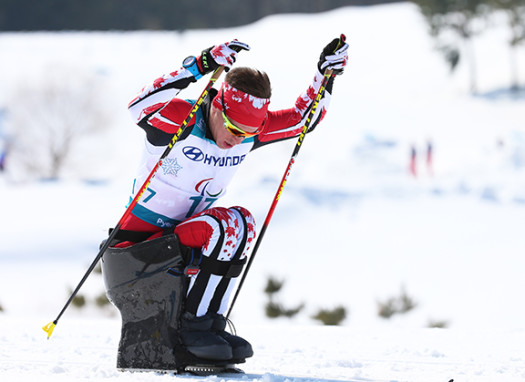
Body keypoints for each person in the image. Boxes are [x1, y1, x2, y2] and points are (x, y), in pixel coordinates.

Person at [110, 37, 348, 367]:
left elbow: (302, 120)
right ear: (218, 107)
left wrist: (326, 76)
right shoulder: (185, 118)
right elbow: (139, 106)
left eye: (248, 134)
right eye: (235, 128)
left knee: (243, 223)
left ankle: (209, 325)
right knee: (222, 226)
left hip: (178, 245)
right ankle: (192, 329)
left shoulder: (249, 132)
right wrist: (200, 65)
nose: (238, 139)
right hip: (135, 250)